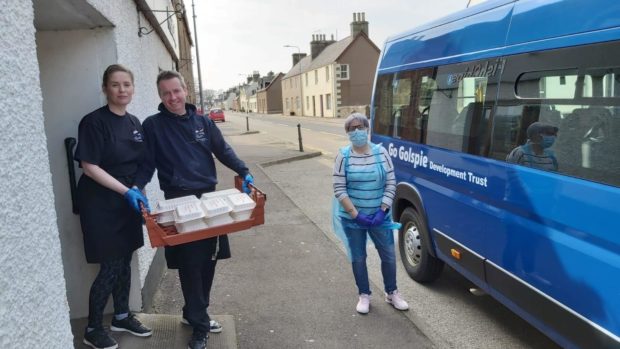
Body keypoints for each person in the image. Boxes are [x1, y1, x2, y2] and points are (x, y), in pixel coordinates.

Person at [134, 70, 254, 349]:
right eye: (166, 93)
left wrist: (243, 170)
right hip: (179, 203)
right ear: (160, 96)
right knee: (190, 265)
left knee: (209, 261)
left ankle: (194, 313)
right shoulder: (153, 125)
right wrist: (137, 187)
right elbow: (146, 164)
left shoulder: (203, 122)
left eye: (176, 91)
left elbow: (222, 150)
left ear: (185, 90)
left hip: (209, 202)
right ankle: (199, 326)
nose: (172, 97)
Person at [75, 64, 153, 349]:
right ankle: (93, 327)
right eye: (115, 84)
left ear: (133, 88)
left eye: (127, 84)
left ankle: (121, 315)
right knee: (110, 265)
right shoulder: (94, 122)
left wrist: (140, 195)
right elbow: (89, 165)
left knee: (126, 260)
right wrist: (126, 191)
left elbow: (139, 165)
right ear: (105, 88)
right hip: (101, 204)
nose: (122, 90)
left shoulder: (134, 122)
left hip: (127, 202)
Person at [332, 113, 409, 314]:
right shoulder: (343, 156)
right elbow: (339, 188)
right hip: (352, 218)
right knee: (358, 257)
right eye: (352, 128)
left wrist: (383, 210)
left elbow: (391, 181)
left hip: (380, 217)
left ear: (367, 128)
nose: (357, 131)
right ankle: (364, 295)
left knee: (389, 256)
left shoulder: (381, 153)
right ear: (347, 133)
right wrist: (356, 214)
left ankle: (392, 292)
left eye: (360, 127)